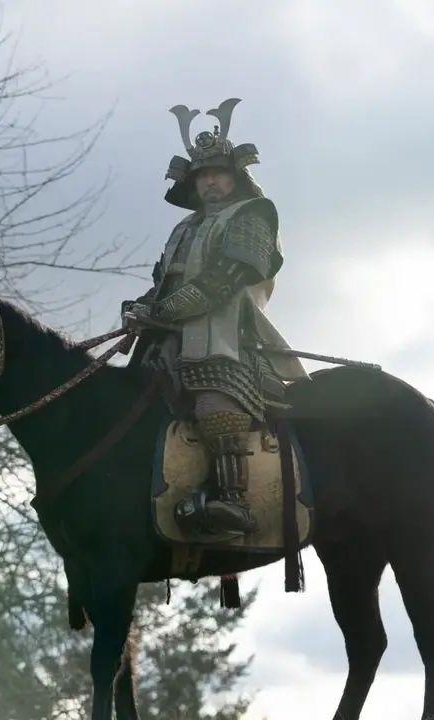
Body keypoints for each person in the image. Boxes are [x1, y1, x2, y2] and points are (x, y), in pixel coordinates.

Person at [121, 98, 310, 538]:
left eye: (218, 174)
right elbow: (163, 284)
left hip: (230, 339)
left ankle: (233, 502)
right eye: (203, 176)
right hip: (169, 337)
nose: (210, 183)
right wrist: (140, 307)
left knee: (214, 401)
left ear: (236, 177)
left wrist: (161, 310)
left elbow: (223, 281)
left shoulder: (253, 216)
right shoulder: (182, 229)